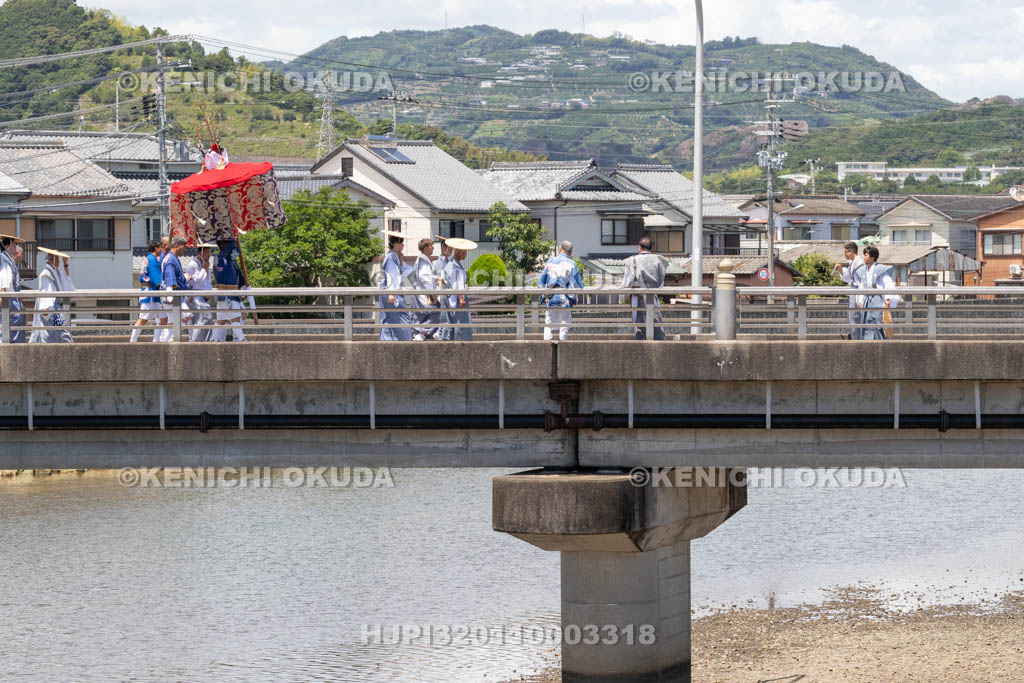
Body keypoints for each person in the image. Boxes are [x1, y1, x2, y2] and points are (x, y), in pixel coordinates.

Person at [621, 236, 669, 340]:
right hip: (653, 296)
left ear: (639, 247)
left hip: (637, 297)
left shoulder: (632, 260)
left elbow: (627, 282)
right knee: (656, 322)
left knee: (639, 324)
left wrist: (624, 297)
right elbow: (661, 284)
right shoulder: (660, 260)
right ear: (651, 248)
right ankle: (657, 342)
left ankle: (641, 342)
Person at [538, 240, 584, 341]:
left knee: (548, 323)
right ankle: (563, 344)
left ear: (559, 250)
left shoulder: (550, 262)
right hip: (565, 298)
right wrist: (574, 297)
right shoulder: (572, 264)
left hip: (550, 297)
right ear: (570, 252)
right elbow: (580, 285)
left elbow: (541, 281)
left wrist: (544, 296)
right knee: (564, 323)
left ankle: (547, 344)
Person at [29, 247, 73, 343]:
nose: (58, 262)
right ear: (52, 260)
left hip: (53, 308)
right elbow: (46, 291)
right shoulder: (46, 274)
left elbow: (65, 280)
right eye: (57, 259)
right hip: (49, 309)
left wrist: (66, 264)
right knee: (53, 335)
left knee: (57, 334)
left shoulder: (54, 272)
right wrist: (46, 311)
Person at [857, 245, 900, 341]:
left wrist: (887, 298)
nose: (864, 257)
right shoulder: (863, 270)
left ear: (872, 257)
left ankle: (880, 344)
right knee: (866, 323)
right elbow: (862, 287)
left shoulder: (880, 269)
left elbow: (888, 284)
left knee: (878, 323)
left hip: (878, 299)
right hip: (867, 300)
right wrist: (860, 300)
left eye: (866, 255)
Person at [378, 230, 413, 341]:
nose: (403, 245)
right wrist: (391, 293)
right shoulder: (391, 257)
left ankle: (388, 341)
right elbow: (391, 274)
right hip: (391, 292)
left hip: (392, 291)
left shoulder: (394, 256)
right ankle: (399, 341)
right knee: (397, 317)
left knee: (390, 318)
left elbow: (401, 272)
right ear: (396, 244)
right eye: (401, 243)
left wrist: (401, 261)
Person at [212, 239, 247, 342]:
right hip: (226, 294)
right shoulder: (219, 258)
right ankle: (240, 339)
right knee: (235, 317)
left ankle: (214, 340)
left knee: (222, 320)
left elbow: (238, 274)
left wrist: (243, 286)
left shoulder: (231, 260)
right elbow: (221, 275)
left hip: (233, 294)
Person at [441, 238, 476, 341]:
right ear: (459, 252)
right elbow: (456, 283)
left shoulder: (451, 264)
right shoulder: (455, 266)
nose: (466, 254)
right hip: (457, 299)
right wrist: (461, 297)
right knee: (460, 325)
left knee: (455, 323)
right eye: (465, 251)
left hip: (452, 299)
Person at [130, 240, 165, 342]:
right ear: (156, 248)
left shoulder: (150, 258)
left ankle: (157, 339)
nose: (162, 249)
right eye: (160, 247)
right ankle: (133, 340)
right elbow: (156, 277)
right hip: (150, 292)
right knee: (143, 319)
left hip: (152, 291)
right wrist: (163, 286)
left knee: (162, 318)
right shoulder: (152, 259)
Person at [834, 241, 866, 340]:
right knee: (852, 317)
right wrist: (840, 269)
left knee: (855, 317)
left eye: (846, 252)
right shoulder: (853, 263)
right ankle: (854, 338)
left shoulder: (859, 264)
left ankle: (856, 340)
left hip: (857, 293)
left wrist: (861, 299)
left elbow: (861, 283)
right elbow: (847, 277)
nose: (845, 254)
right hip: (854, 292)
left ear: (851, 251)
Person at [160, 236, 189, 342]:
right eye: (183, 247)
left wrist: (185, 278)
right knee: (186, 315)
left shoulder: (172, 258)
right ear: (177, 246)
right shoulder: (171, 260)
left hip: (173, 293)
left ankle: (165, 340)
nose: (185, 249)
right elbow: (169, 277)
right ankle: (171, 338)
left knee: (173, 319)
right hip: (172, 293)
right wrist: (169, 295)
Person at [185, 243, 214, 342]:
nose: (209, 254)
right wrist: (204, 269)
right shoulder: (193, 264)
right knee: (202, 318)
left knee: (203, 320)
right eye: (206, 252)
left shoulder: (205, 263)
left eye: (209, 252)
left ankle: (203, 341)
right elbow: (196, 280)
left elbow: (208, 280)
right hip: (196, 296)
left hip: (204, 295)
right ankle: (195, 341)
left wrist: (206, 268)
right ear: (200, 253)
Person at [0, 234, 26, 343]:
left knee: (14, 320)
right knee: (13, 320)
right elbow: (4, 277)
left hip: (11, 295)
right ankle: (12, 343)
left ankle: (13, 342)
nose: (15, 247)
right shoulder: (4, 258)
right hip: (9, 296)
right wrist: (3, 293)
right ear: (7, 246)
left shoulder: (8, 258)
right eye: (14, 244)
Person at [412, 238, 440, 341]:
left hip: (422, 292)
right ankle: (421, 333)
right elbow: (425, 277)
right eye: (431, 246)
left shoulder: (423, 260)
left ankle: (423, 334)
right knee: (437, 310)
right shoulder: (423, 261)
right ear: (425, 248)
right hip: (424, 293)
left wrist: (435, 278)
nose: (433, 248)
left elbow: (427, 276)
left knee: (422, 315)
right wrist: (434, 290)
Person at [433, 237, 453, 340]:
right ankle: (440, 333)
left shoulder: (448, 261)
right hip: (442, 291)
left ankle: (442, 333)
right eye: (449, 248)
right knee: (444, 314)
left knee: (446, 314)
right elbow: (440, 277)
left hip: (447, 291)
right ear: (443, 248)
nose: (451, 250)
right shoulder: (440, 261)